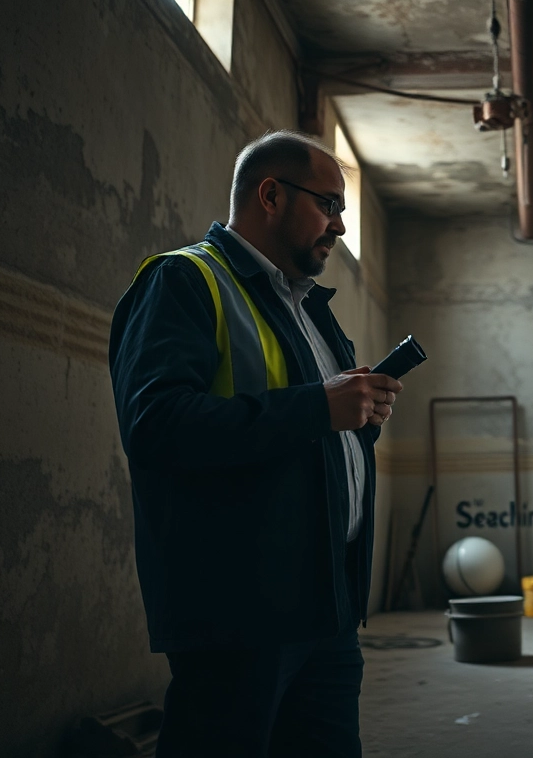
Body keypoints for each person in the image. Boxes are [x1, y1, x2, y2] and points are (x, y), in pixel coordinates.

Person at [108, 130, 402, 756]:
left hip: (327, 607)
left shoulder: (308, 307)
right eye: (329, 205)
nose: (340, 228)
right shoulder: (184, 281)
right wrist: (319, 408)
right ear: (271, 194)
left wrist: (360, 418)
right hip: (239, 613)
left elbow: (306, 433)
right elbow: (155, 426)